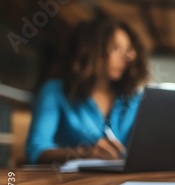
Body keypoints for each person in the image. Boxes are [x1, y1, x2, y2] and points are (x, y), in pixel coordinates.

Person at [26, 17, 149, 164]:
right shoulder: (54, 91)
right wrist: (84, 153)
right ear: (91, 50)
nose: (126, 58)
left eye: (128, 50)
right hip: (71, 184)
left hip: (124, 183)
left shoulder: (134, 98)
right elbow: (36, 150)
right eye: (115, 48)